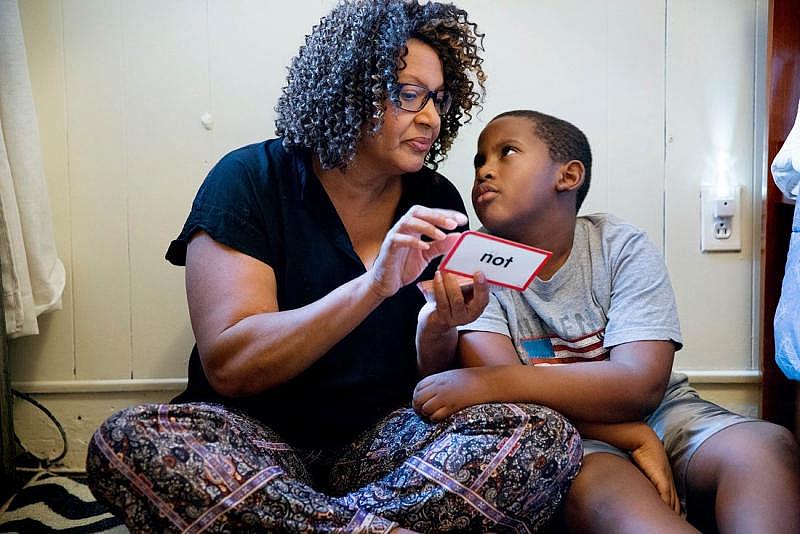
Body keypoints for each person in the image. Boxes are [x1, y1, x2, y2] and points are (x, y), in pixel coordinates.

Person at [86, 5, 583, 533]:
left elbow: (433, 383)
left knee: (543, 434)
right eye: (410, 94)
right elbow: (231, 367)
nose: (432, 118)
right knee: (130, 440)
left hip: (382, 446)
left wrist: (438, 326)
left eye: (438, 99)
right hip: (252, 443)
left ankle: (296, 523)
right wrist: (373, 287)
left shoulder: (434, 197)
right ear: (349, 87)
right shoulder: (249, 179)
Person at [413, 109, 800, 533]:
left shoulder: (619, 245)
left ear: (569, 175)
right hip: (567, 433)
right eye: (479, 161)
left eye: (506, 152)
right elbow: (510, 403)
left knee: (764, 446)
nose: (485, 169)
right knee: (611, 496)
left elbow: (641, 383)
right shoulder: (474, 264)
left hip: (665, 412)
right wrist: (628, 436)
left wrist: (490, 383)